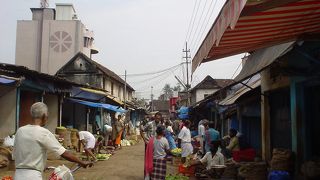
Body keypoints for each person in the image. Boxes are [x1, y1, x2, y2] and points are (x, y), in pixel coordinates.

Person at [13, 102, 93, 180]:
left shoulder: (20, 131)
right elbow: (64, 153)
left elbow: (18, 154)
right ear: (44, 116)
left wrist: (42, 165)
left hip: (17, 175)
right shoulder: (43, 132)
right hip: (33, 176)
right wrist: (81, 162)